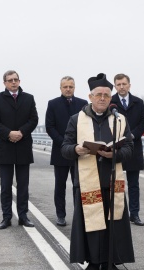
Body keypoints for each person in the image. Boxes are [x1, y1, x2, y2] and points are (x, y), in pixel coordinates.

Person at [62, 73, 134, 270]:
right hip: (87, 181)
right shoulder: (77, 119)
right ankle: (94, 262)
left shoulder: (119, 120)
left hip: (111, 179)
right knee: (91, 225)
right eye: (99, 94)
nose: (103, 98)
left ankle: (110, 262)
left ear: (111, 98)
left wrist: (115, 155)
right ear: (90, 97)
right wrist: (76, 149)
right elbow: (65, 147)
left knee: (113, 224)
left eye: (107, 95)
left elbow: (129, 148)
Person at [0, 70, 39, 230]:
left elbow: (34, 119)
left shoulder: (28, 98)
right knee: (5, 186)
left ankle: (23, 216)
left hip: (23, 146)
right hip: (5, 147)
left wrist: (21, 132)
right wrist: (8, 133)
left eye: (16, 79)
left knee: (23, 186)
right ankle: (6, 217)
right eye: (10, 80)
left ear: (19, 81)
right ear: (4, 83)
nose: (13, 82)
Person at [45, 76, 88, 227]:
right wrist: (64, 143)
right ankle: (60, 215)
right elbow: (49, 127)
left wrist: (77, 145)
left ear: (74, 87)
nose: (68, 89)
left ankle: (79, 215)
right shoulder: (53, 104)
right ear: (60, 88)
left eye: (71, 86)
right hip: (60, 151)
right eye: (65, 87)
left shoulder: (83, 104)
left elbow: (87, 125)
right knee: (60, 186)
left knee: (79, 185)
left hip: (79, 152)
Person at [110, 73, 144, 226]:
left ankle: (135, 213)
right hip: (116, 147)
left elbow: (143, 122)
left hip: (133, 146)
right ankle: (117, 213)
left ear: (129, 85)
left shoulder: (138, 102)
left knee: (133, 184)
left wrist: (132, 135)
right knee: (115, 182)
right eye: (118, 84)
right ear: (115, 86)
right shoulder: (110, 102)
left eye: (124, 84)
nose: (121, 87)